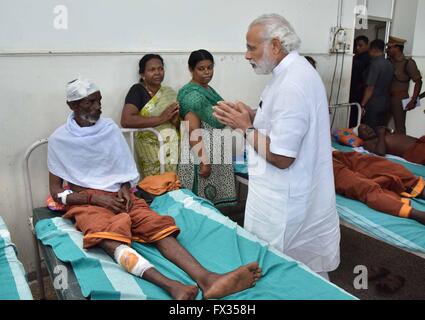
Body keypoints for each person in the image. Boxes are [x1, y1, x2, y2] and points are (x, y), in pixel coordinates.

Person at [48, 77, 261, 300]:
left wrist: (123, 186)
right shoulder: (59, 140)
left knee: (155, 226)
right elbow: (56, 192)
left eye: (99, 101)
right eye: (89, 103)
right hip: (87, 202)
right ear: (72, 105)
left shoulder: (109, 128)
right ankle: (172, 286)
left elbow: (122, 169)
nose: (97, 107)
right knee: (108, 235)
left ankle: (208, 279)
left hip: (120, 197)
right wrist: (95, 199)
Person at [213, 14, 340, 279]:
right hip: (291, 195)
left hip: (284, 202)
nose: (247, 55)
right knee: (302, 272)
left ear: (275, 45)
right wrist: (248, 113)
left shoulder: (292, 83)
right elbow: (279, 123)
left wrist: (245, 128)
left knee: (278, 272)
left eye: (251, 47)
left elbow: (282, 157)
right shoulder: (290, 73)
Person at [177, 49, 237, 208]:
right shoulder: (192, 95)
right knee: (199, 206)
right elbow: (193, 132)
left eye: (210, 67)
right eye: (201, 68)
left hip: (214, 152)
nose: (207, 72)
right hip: (201, 156)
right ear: (191, 69)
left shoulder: (207, 90)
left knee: (214, 206)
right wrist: (204, 161)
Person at [121, 54, 180, 178]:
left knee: (173, 183)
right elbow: (126, 120)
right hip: (149, 147)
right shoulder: (137, 90)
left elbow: (178, 122)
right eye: (152, 70)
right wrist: (161, 118)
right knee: (155, 186)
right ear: (142, 74)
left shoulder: (169, 92)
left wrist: (175, 121)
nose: (157, 72)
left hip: (172, 147)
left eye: (160, 68)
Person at [333, 151, 425, 225]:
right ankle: (415, 214)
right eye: (363, 127)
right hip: (324, 165)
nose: (367, 129)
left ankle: (418, 189)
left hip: (333, 154)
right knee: (363, 187)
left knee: (385, 166)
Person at [386, 36, 423, 134]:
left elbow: (418, 82)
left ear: (397, 48)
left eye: (390, 47)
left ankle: (403, 148)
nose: (387, 50)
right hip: (386, 98)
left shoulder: (408, 63)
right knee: (383, 126)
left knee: (399, 128)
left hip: (399, 99)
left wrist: (413, 100)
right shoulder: (389, 62)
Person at [360, 39, 394, 130]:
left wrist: (362, 105)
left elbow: (370, 88)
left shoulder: (374, 64)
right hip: (386, 102)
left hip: (373, 103)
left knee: (370, 131)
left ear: (374, 49)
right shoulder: (389, 64)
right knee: (381, 130)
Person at [358, 124, 425, 165]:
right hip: (415, 151)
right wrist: (381, 133)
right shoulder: (368, 143)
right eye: (363, 130)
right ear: (361, 136)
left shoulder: (379, 135)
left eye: (367, 127)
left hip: (419, 142)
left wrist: (390, 131)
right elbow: (380, 153)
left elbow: (399, 137)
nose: (368, 129)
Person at [349, 36, 370, 128]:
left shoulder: (367, 58)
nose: (357, 48)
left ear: (367, 45)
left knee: (355, 118)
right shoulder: (357, 57)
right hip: (354, 91)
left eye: (360, 45)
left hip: (360, 92)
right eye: (356, 45)